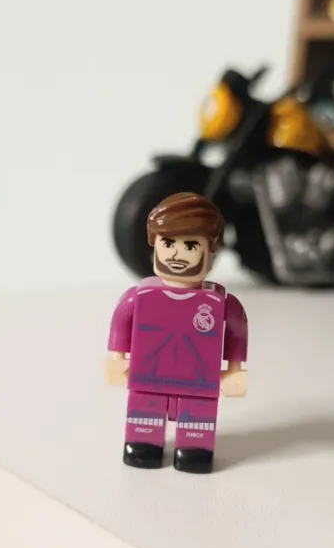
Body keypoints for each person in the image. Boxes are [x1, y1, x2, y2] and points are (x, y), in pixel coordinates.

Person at [106, 192, 248, 474]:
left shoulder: (219, 303)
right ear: (154, 244)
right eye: (168, 243)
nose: (176, 254)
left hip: (199, 380)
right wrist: (117, 358)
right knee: (144, 416)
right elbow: (121, 320)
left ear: (212, 249)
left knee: (197, 422)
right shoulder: (140, 296)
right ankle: (143, 445)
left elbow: (237, 329)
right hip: (148, 376)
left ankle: (194, 450)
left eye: (190, 245)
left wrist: (234, 369)